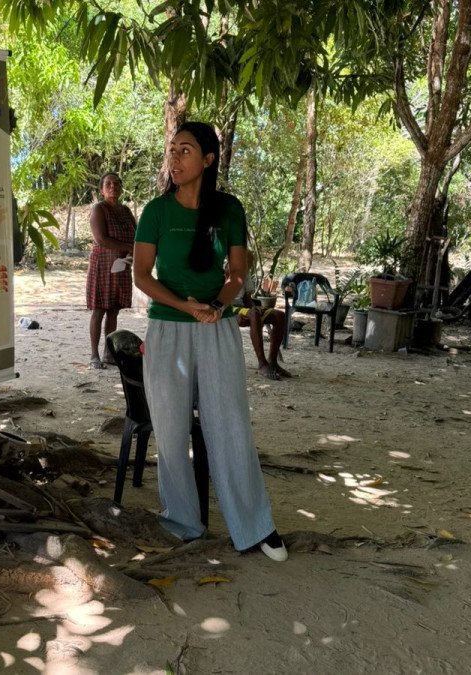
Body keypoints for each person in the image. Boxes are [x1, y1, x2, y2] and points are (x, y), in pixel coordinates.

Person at [133, 121, 287, 562]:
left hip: (215, 328)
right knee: (171, 428)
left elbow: (237, 272)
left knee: (231, 425)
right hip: (168, 330)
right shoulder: (156, 212)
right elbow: (142, 276)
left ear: (208, 159)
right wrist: (187, 307)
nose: (175, 159)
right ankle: (183, 522)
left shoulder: (228, 210)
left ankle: (255, 526)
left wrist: (218, 305)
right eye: (172, 150)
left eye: (185, 151)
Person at [86, 172, 135, 369]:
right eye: (108, 184)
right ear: (101, 189)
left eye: (116, 183)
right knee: (99, 310)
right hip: (103, 266)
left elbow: (137, 234)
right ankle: (94, 355)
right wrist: (129, 246)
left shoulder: (125, 210)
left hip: (122, 265)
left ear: (121, 188)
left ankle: (109, 353)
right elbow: (101, 240)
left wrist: (133, 251)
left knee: (114, 310)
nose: (113, 187)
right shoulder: (99, 209)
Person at [235, 250, 291, 380]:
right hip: (229, 309)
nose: (248, 267)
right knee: (254, 315)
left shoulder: (246, 276)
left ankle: (273, 361)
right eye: (246, 264)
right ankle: (262, 363)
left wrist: (255, 308)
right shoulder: (223, 274)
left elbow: (247, 300)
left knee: (279, 315)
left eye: (250, 265)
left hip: (244, 309)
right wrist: (243, 313)